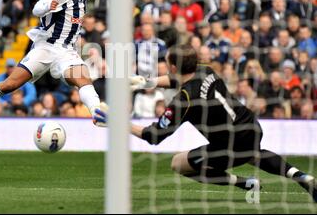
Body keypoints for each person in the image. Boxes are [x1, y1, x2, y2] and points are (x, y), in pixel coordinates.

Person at [95, 45, 317, 202]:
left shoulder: (184, 100)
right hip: (250, 125)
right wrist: (149, 82)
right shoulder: (206, 70)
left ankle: (244, 183)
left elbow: (154, 136)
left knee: (178, 163)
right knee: (253, 153)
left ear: (172, 67)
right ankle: (301, 176)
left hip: (229, 143)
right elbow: (178, 78)